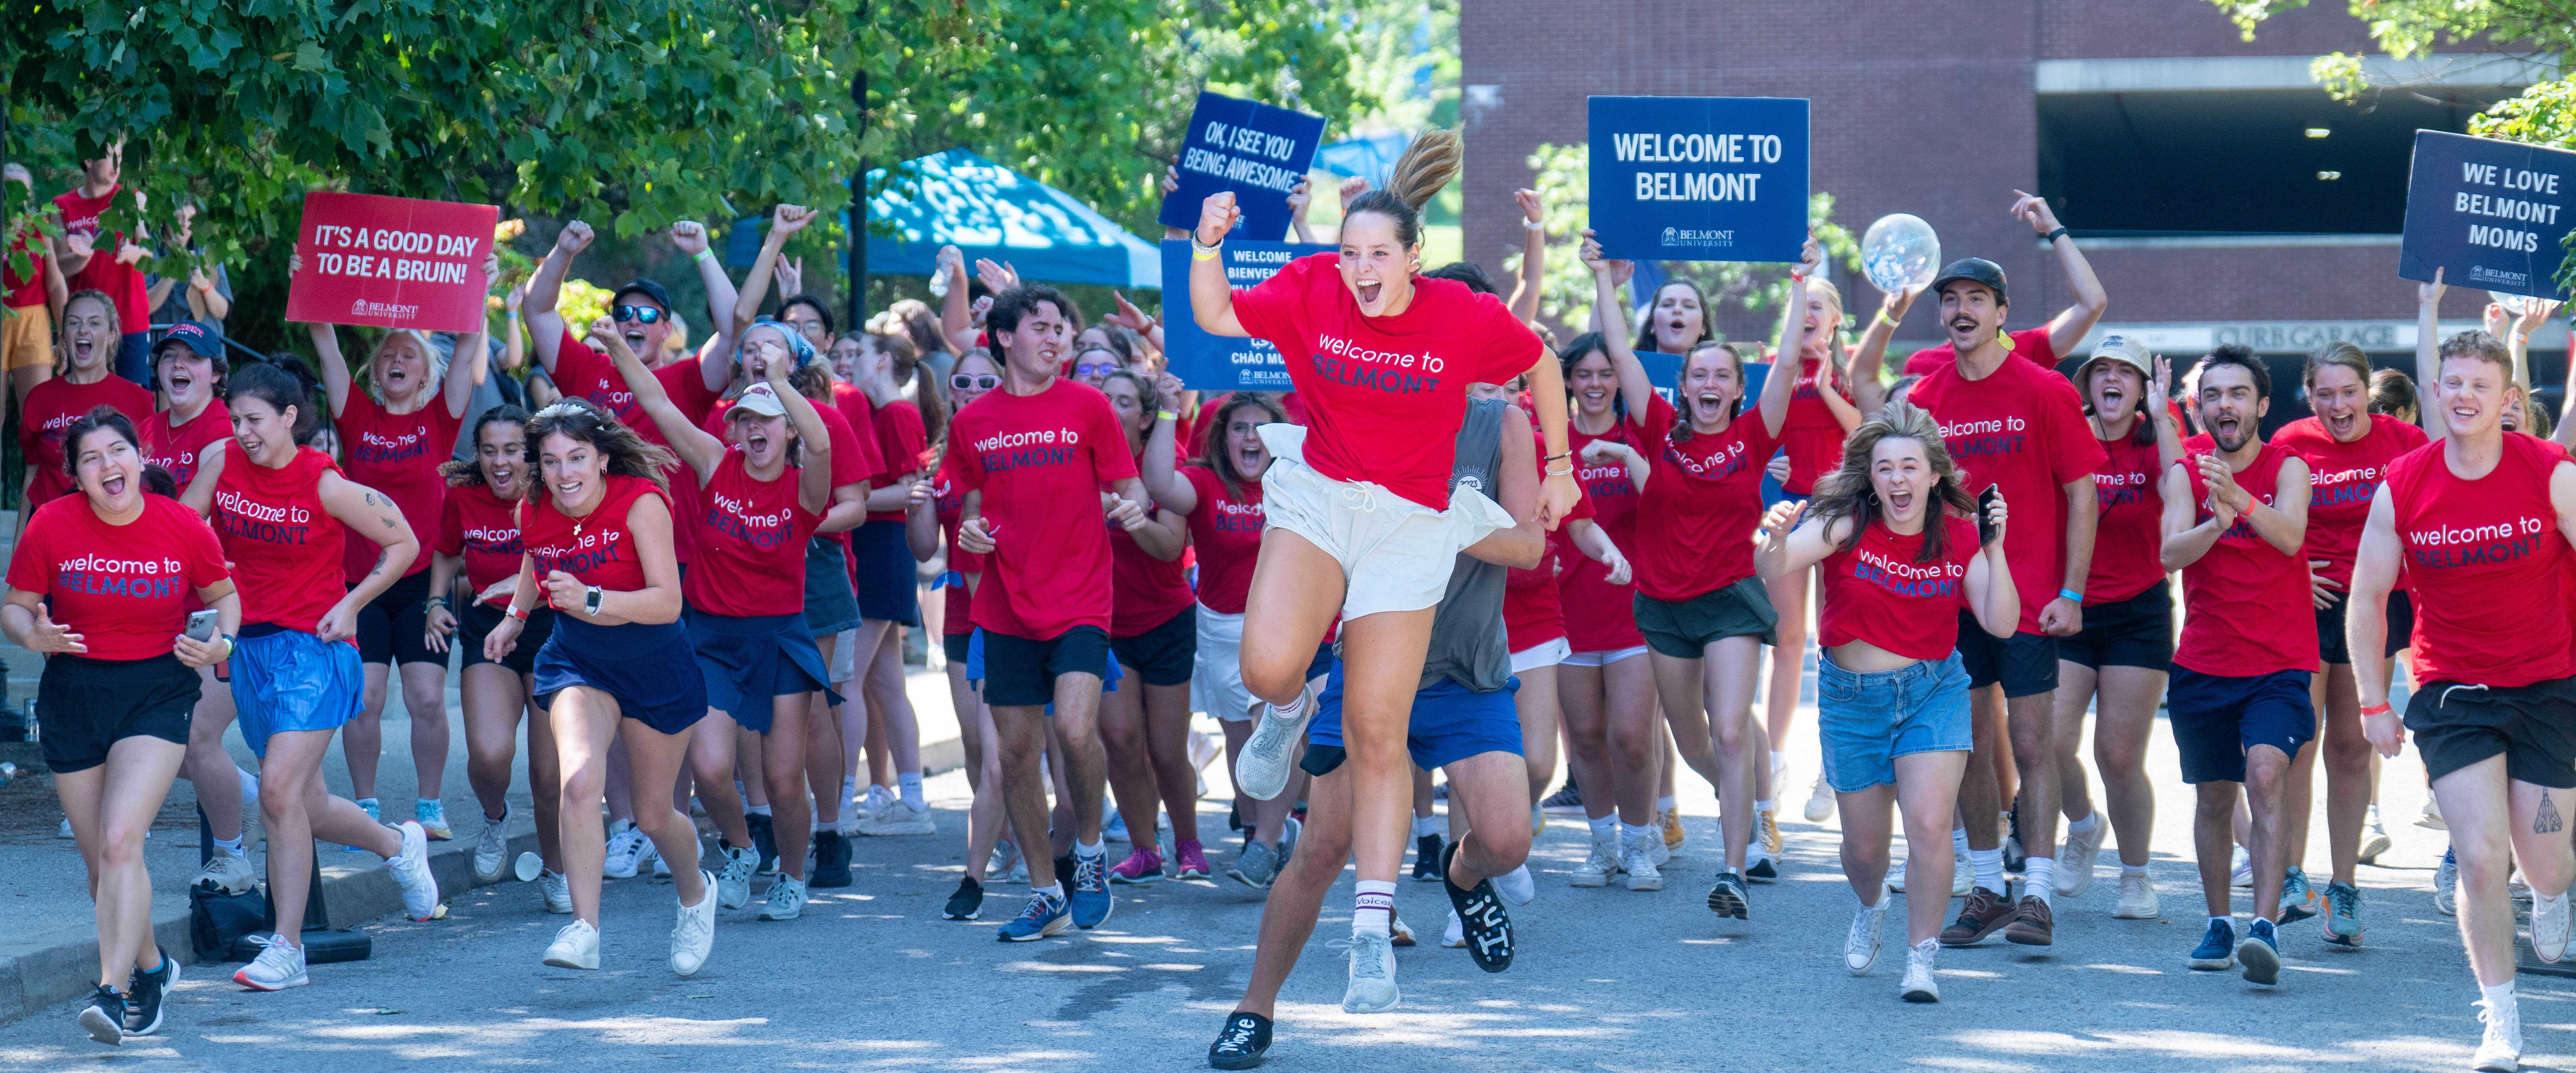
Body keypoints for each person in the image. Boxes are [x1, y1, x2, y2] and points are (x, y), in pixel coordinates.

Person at [1184, 128, 1579, 1007]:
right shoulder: (1312, 288)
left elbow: (1544, 361)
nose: (1361, 269)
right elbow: (1215, 314)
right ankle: (1287, 710)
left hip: (1409, 526)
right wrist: (1206, 243)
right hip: (1322, 498)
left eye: (1379, 255)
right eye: (1350, 252)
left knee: (1376, 728)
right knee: (1267, 666)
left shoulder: (1464, 317)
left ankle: (1372, 934)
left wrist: (1557, 468)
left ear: (1413, 259)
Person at [1207, 392, 1546, 1067]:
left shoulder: (1500, 423)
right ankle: (1255, 1008)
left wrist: (1433, 514)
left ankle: (1464, 878)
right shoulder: (1367, 405)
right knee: (1324, 849)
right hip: (1365, 667)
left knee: (1508, 841)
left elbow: (1528, 545)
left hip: (1463, 670)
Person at [1853, 193, 2109, 949]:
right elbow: (1870, 408)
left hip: (2030, 600)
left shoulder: (2045, 388)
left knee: (2032, 746)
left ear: (2002, 312)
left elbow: (2082, 493)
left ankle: (2036, 895)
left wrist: (2071, 592)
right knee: (1964, 750)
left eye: (1977, 300)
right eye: (1952, 301)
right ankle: (1987, 887)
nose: (1962, 311)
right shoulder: (1926, 398)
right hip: (1949, 605)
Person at [2351, 317, 2576, 1073]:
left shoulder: (2550, 470)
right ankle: (2501, 1024)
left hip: (2550, 687)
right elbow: (2367, 599)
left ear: (2507, 396)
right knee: (2481, 861)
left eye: (2482, 385)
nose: (2466, 396)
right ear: (2437, 393)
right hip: (2454, 692)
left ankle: (2551, 895)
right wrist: (2373, 702)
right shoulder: (2405, 484)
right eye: (2454, 384)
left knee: (2543, 862)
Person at [181, 358, 444, 991]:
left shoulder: (323, 482)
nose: (242, 431)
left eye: (255, 420)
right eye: (236, 418)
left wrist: (352, 603)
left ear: (290, 417)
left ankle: (287, 948)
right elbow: (185, 532)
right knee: (306, 802)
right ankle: (397, 845)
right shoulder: (222, 462)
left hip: (314, 652)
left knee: (276, 791)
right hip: (247, 648)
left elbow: (405, 542)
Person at [1754, 401, 2016, 1002]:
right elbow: (1776, 564)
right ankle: (1870, 905)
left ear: (1933, 475)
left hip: (1933, 690)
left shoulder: (1956, 530)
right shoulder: (1847, 520)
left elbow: (2002, 624)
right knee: (1866, 853)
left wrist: (1995, 549)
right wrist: (1771, 539)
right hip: (1853, 700)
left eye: (1910, 467)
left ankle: (1921, 959)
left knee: (1927, 825)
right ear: (1870, 477)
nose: (1898, 480)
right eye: (1886, 469)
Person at [1587, 234, 1811, 918]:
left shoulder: (1753, 434)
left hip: (1730, 602)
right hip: (1662, 604)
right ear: (1681, 387)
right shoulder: (1658, 429)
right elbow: (1622, 353)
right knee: (1694, 747)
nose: (1709, 385)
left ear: (1738, 390)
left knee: (1734, 731)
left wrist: (1800, 283)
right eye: (1698, 377)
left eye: (1722, 377)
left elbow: (1790, 361)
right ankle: (1750, 799)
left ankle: (1734, 868)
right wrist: (1602, 275)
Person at [8, 408, 239, 1043]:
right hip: (73, 696)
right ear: (76, 476)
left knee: (119, 842)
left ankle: (114, 994)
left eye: (119, 451)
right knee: (100, 865)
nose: (108, 465)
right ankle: (155, 966)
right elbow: (15, 609)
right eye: (91, 458)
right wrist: (36, 634)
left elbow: (224, 595)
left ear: (140, 458)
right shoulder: (52, 525)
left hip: (155, 693)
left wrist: (223, 644)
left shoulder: (181, 525)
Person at [611, 320, 842, 921]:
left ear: (787, 427)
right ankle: (741, 851)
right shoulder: (716, 463)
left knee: (784, 779)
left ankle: (792, 876)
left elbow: (820, 446)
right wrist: (615, 349)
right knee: (712, 770)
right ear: (735, 429)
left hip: (780, 638)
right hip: (712, 637)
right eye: (747, 419)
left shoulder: (804, 490)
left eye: (768, 419)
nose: (756, 428)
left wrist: (778, 382)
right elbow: (658, 403)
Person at [475, 399, 717, 975]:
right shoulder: (532, 508)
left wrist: (592, 598)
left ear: (603, 458)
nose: (566, 474)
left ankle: (695, 893)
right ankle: (584, 927)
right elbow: (541, 556)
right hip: (579, 661)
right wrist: (515, 615)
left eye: (578, 458)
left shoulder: (642, 504)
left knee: (656, 817)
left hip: (655, 665)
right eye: (552, 462)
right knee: (581, 779)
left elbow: (667, 603)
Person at [947, 282, 1153, 940]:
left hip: (1083, 598)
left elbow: (1129, 487)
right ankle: (1044, 893)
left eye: (1062, 328)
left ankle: (1088, 853)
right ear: (1005, 337)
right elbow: (970, 505)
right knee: (1012, 755)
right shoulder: (972, 421)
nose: (1056, 337)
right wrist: (971, 532)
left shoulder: (1089, 407)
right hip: (1004, 604)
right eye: (1041, 326)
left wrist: (1133, 507)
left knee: (1072, 729)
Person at [300, 250, 496, 841]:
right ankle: (365, 804)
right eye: (388, 355)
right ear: (377, 371)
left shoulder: (440, 418)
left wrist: (478, 289)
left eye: (408, 353)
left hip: (420, 585)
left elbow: (466, 350)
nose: (396, 360)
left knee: (427, 698)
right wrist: (309, 278)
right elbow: (326, 345)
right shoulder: (357, 417)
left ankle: (430, 806)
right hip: (359, 582)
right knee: (367, 696)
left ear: (424, 370)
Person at [2156, 346, 2315, 986]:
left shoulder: (2289, 465)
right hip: (2204, 663)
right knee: (2215, 800)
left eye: (2239, 394)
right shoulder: (2184, 473)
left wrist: (2242, 503)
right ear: (2201, 406)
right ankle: (2220, 922)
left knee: (2267, 774)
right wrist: (2215, 524)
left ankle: (2265, 927)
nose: (2227, 405)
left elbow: (2293, 536)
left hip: (2279, 663)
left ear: (2262, 405)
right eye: (2215, 395)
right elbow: (2170, 552)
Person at [2270, 341, 2430, 947]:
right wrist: (2292, 569)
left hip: (2375, 606)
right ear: (2309, 395)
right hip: (2305, 604)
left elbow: (2430, 508)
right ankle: (2290, 877)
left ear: (2368, 390)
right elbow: (2262, 517)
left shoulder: (2403, 442)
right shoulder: (2289, 442)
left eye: (2349, 393)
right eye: (2325, 394)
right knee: (2297, 742)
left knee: (2349, 747)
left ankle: (2344, 888)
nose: (2339, 406)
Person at [1140, 389, 1316, 889]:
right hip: (1216, 629)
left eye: (1261, 427)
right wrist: (1172, 407)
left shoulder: (1297, 483)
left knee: (1273, 730)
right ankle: (1263, 837)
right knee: (1241, 744)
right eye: (1239, 427)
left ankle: (1267, 839)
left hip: (1281, 625)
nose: (1250, 436)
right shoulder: (1205, 482)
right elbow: (1157, 482)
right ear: (1223, 437)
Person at [2049, 336, 2182, 920]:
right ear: (2087, 384)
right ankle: (2082, 826)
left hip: (2138, 612)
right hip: (2071, 608)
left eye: (2124, 372)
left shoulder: (2157, 438)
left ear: (2144, 387)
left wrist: (2164, 417)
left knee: (2119, 754)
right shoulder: (2068, 433)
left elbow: (2184, 490)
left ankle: (2136, 875)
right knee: (2047, 741)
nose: (2111, 380)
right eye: (2100, 370)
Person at [424, 406, 571, 909]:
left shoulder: (556, 494)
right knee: (490, 754)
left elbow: (581, 556)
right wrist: (435, 602)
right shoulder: (463, 495)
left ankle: (557, 868)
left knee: (550, 774)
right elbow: (446, 549)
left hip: (554, 630)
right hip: (490, 631)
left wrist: (525, 586)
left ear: (531, 455)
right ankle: (494, 818)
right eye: (489, 450)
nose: (500, 462)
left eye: (512, 450)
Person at [139, 321, 257, 894]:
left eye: (194, 357)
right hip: (162, 607)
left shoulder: (226, 431)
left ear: (217, 373)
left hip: (229, 609)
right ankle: (247, 789)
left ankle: (234, 857)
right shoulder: (144, 431)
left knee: (194, 737)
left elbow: (187, 519)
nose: (179, 365)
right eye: (170, 356)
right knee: (154, 733)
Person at [1547, 318, 1662, 890]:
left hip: (1634, 611)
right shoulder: (1551, 440)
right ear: (1567, 380)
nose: (1595, 383)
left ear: (1621, 379)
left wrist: (1619, 453)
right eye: (1583, 374)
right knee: (1587, 738)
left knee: (1633, 737)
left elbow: (1667, 503)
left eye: (1605, 373)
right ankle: (1602, 847)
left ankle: (1642, 846)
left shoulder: (1640, 437)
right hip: (1567, 611)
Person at [1762, 268, 1866, 831]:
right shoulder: (1776, 367)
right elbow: (1760, 432)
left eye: (1819, 305)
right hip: (1790, 510)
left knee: (1838, 638)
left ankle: (1832, 766)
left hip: (1842, 509)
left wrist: (1827, 382)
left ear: (1834, 319)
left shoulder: (1852, 371)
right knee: (1787, 637)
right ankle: (1773, 763)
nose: (1808, 313)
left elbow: (1866, 432)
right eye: (1800, 304)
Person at [921, 349, 1023, 919]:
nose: (976, 388)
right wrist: (917, 508)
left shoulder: (1023, 438)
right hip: (966, 611)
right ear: (951, 391)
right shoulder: (937, 460)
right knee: (981, 744)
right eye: (964, 381)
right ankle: (998, 842)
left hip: (1036, 610)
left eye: (989, 379)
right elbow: (924, 549)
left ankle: (1070, 845)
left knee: (1042, 743)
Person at [1095, 368, 1204, 884]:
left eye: (1122, 401)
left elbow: (1169, 550)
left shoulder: (1161, 466)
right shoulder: (1078, 464)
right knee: (1119, 737)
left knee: (1165, 747)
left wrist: (1133, 521)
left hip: (1166, 618)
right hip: (1101, 621)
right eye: (1102, 398)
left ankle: (1188, 843)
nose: (1109, 407)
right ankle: (1145, 849)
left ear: (1143, 417)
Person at [21, 291, 154, 528]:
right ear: (64, 335)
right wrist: (19, 549)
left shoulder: (138, 400)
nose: (83, 330)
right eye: (74, 323)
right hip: (50, 531)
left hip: (110, 535)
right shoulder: (40, 398)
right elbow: (32, 474)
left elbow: (147, 480)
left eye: (94, 323)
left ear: (112, 334)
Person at [49, 142, 154, 386]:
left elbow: (149, 256)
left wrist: (131, 252)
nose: (117, 163)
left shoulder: (130, 198)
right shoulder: (61, 206)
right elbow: (61, 267)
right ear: (88, 161)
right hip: (85, 325)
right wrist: (85, 256)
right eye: (110, 156)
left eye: (120, 155)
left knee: (133, 403)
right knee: (87, 405)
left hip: (129, 320)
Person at [4, 162, 68, 404]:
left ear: (30, 195)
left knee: (36, 411)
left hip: (34, 323)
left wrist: (64, 333)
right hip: (1, 316)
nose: (14, 195)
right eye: (7, 188)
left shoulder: (39, 227)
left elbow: (55, 283)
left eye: (20, 189)